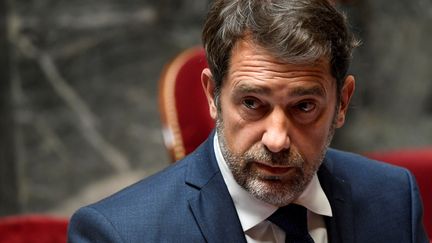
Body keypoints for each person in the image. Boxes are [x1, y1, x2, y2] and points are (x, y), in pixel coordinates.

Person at [68, 0, 428, 242]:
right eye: (252, 103)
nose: (276, 139)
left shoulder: (394, 199)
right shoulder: (121, 234)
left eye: (304, 106)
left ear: (342, 103)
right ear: (213, 95)